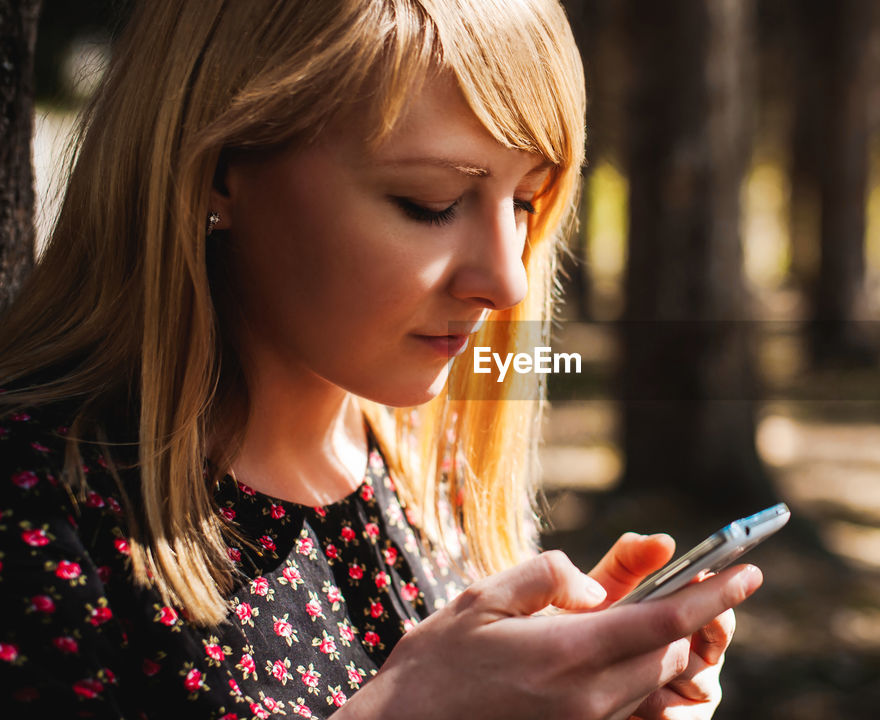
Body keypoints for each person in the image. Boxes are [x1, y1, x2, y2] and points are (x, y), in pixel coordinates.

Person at [0, 1, 763, 718]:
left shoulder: (427, 482)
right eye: (430, 203)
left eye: (525, 202)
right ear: (220, 171)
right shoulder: (38, 503)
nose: (508, 281)